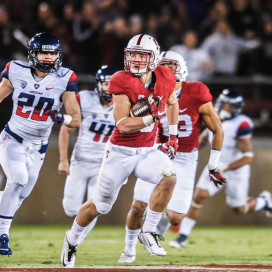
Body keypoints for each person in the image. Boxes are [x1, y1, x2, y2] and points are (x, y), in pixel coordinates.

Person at [61, 34, 179, 268]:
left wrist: (173, 135)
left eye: (142, 55)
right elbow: (123, 124)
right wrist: (153, 116)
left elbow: (172, 102)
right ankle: (71, 240)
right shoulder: (120, 80)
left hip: (146, 150)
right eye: (132, 54)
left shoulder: (166, 76)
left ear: (154, 57)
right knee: (100, 206)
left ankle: (149, 232)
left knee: (169, 177)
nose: (136, 59)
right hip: (120, 152)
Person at [118, 50, 225, 263]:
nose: (168, 69)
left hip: (185, 157)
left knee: (176, 217)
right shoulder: (148, 91)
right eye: (163, 64)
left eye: (172, 65)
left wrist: (213, 165)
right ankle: (129, 250)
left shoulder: (197, 91)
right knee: (138, 206)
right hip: (155, 152)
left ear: (182, 67)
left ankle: (154, 227)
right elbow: (129, 123)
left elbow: (217, 129)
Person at [0, 32, 81, 256]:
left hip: (39, 147)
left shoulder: (65, 77)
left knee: (20, 193)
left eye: (52, 53)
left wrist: (61, 118)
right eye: (43, 52)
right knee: (17, 180)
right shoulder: (15, 70)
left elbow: (76, 118)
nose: (47, 57)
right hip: (13, 137)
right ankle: (2, 235)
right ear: (32, 54)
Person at [170, 89, 272, 249]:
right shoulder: (213, 118)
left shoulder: (242, 124)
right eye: (222, 104)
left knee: (239, 209)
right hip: (217, 165)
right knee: (199, 196)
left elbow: (248, 156)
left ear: (235, 108)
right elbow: (203, 140)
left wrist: (227, 167)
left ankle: (263, 202)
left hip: (237, 168)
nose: (223, 108)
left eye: (227, 106)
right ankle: (182, 237)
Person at [58, 65, 117, 244]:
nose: (109, 88)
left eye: (113, 84)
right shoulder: (84, 99)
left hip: (104, 166)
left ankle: (73, 242)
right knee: (70, 209)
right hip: (81, 162)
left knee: (96, 207)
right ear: (98, 84)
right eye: (106, 84)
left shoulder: (125, 104)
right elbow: (65, 130)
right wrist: (63, 160)